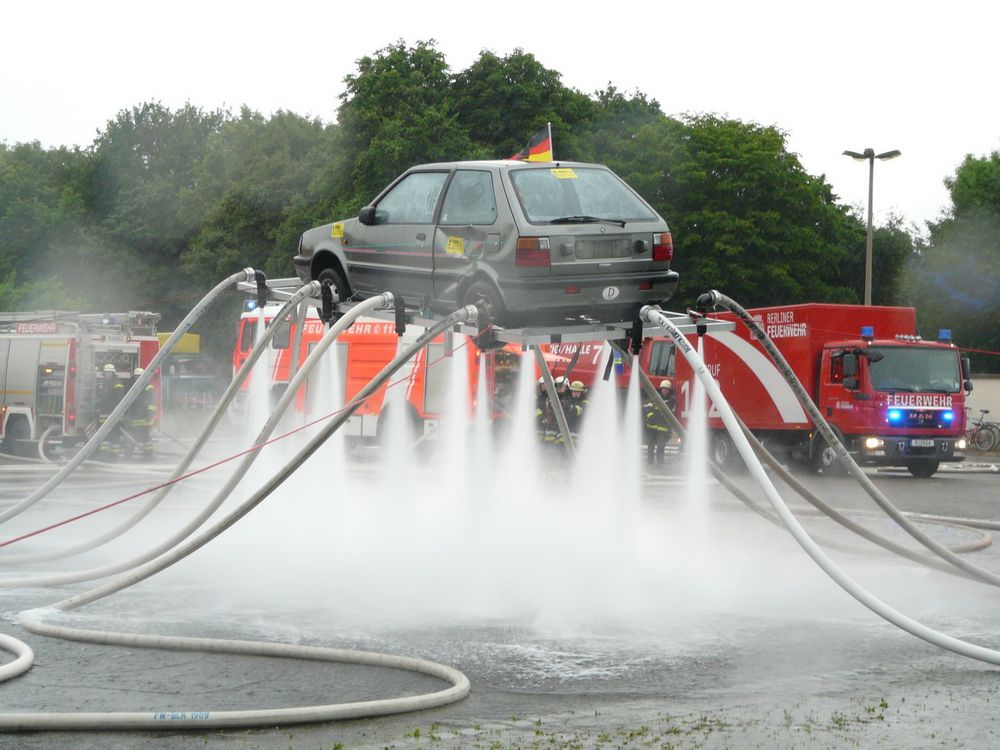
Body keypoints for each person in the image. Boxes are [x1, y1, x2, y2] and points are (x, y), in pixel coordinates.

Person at [124, 367, 156, 461]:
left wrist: (149, 414)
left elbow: (152, 402)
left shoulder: (148, 387)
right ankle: (128, 456)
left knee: (145, 438)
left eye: (139, 376)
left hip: (144, 418)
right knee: (131, 437)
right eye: (136, 376)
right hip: (134, 417)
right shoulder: (132, 387)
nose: (138, 378)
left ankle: (148, 455)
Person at [96, 363, 125, 461]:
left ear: (113, 373)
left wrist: (115, 412)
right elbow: (101, 399)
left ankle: (113, 456)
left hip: (113, 416)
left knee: (114, 436)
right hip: (104, 415)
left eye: (109, 373)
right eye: (106, 373)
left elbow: (119, 400)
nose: (108, 374)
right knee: (104, 436)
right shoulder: (104, 384)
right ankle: (105, 455)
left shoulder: (117, 384)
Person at [644, 379, 676, 465]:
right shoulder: (655, 397)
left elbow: (668, 412)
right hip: (652, 427)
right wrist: (651, 417)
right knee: (650, 446)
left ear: (669, 390)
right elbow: (648, 408)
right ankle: (650, 463)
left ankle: (660, 464)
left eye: (666, 389)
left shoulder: (671, 400)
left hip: (664, 429)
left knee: (660, 447)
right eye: (663, 389)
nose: (664, 391)